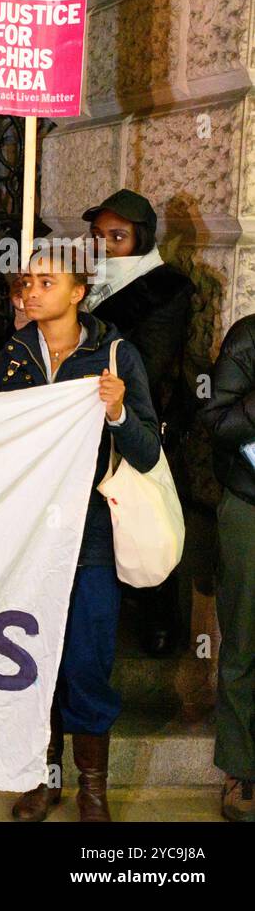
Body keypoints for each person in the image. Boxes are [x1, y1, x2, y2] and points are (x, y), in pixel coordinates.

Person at [0, 254, 161, 823]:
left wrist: (116, 412)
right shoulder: (13, 356)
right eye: (25, 283)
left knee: (86, 660)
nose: (29, 293)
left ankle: (93, 792)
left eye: (45, 283)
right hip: (25, 535)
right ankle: (45, 779)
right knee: (37, 660)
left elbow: (148, 450)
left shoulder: (114, 354)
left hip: (90, 537)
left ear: (79, 291)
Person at [83, 189, 195, 656]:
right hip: (93, 415)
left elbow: (152, 361)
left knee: (145, 510)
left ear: (142, 238)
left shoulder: (167, 287)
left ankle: (159, 619)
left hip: (142, 415)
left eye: (118, 236)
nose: (105, 245)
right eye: (99, 235)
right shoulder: (88, 280)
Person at [197, 313, 255, 821]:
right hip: (250, 504)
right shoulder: (250, 337)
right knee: (244, 637)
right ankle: (242, 770)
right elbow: (216, 422)